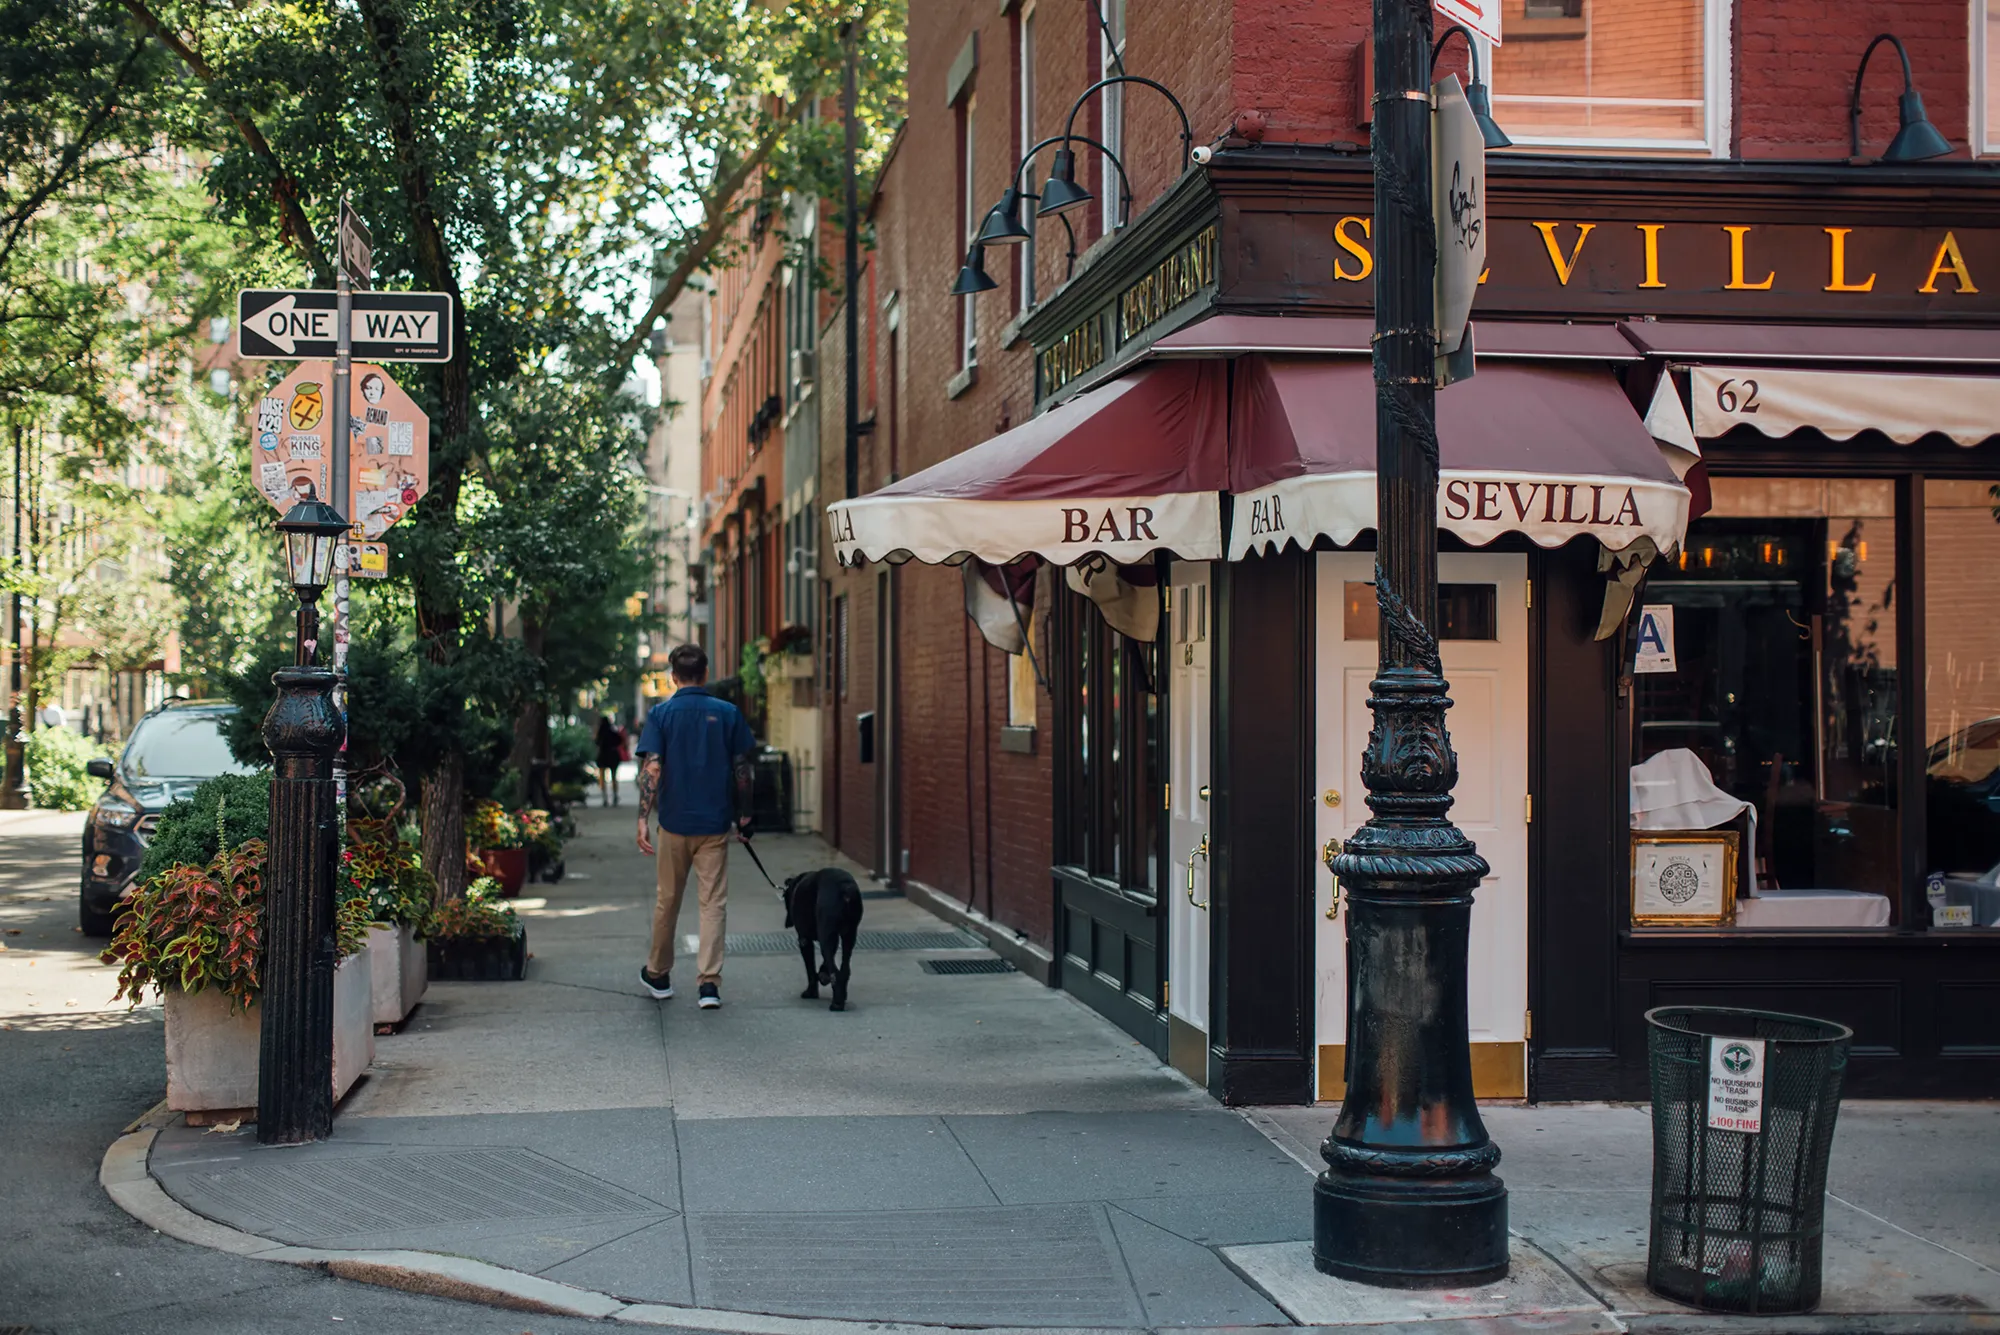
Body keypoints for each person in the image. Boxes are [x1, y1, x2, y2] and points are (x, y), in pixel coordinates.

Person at [634, 643, 755, 1008]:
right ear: (705, 673)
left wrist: (642, 818)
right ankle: (709, 984)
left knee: (666, 902)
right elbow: (743, 769)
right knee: (713, 904)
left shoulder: (661, 714)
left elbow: (652, 768)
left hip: (673, 825)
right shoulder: (728, 713)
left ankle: (658, 974)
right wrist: (745, 814)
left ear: (673, 677)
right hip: (714, 824)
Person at [594, 713, 623, 806]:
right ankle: (615, 795)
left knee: (602, 778)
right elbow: (620, 740)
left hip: (603, 756)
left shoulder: (600, 733)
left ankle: (605, 797)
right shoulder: (612, 732)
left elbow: (596, 742)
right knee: (614, 777)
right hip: (613, 756)